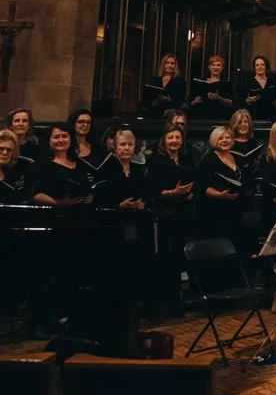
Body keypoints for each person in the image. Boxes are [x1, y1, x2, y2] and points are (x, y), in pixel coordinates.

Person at [146, 120, 195, 315]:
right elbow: (152, 191)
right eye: (170, 137)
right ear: (164, 141)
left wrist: (191, 192)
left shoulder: (186, 159)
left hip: (183, 214)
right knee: (165, 258)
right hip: (165, 215)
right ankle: (163, 300)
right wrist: (173, 192)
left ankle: (177, 299)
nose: (174, 141)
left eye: (177, 137)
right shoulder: (158, 162)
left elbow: (194, 179)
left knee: (179, 256)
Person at [196, 125, 245, 247]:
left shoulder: (236, 157)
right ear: (214, 141)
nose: (225, 140)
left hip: (234, 209)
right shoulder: (209, 160)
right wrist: (220, 195)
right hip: (215, 211)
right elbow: (203, 186)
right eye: (220, 138)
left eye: (228, 137)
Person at [31, 123, 93, 205]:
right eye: (56, 137)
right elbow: (35, 194)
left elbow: (87, 186)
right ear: (49, 140)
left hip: (81, 212)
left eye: (64, 136)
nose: (61, 140)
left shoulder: (80, 163)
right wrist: (60, 203)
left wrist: (90, 196)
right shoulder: (41, 164)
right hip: (53, 213)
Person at [95, 127, 145, 210]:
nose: (127, 148)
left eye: (130, 144)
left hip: (136, 216)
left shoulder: (138, 169)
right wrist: (119, 205)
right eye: (122, 144)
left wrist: (142, 203)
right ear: (115, 147)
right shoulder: (106, 168)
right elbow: (99, 198)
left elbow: (143, 192)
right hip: (112, 217)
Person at [188, 54, 235, 119]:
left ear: (222, 68)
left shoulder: (226, 84)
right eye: (213, 65)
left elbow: (232, 103)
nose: (215, 67)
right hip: (200, 118)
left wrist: (219, 98)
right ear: (209, 67)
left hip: (220, 117)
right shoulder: (200, 83)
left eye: (218, 65)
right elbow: (190, 103)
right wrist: (195, 101)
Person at [242, 55, 276, 121]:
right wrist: (248, 100)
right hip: (254, 115)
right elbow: (242, 100)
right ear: (254, 67)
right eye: (257, 65)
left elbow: (274, 99)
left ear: (266, 67)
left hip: (269, 115)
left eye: (262, 65)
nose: (260, 67)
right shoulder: (248, 82)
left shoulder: (272, 81)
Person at [70, 109, 101, 173]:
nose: (85, 125)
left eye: (88, 122)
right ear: (73, 123)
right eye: (81, 122)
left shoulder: (97, 147)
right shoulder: (66, 146)